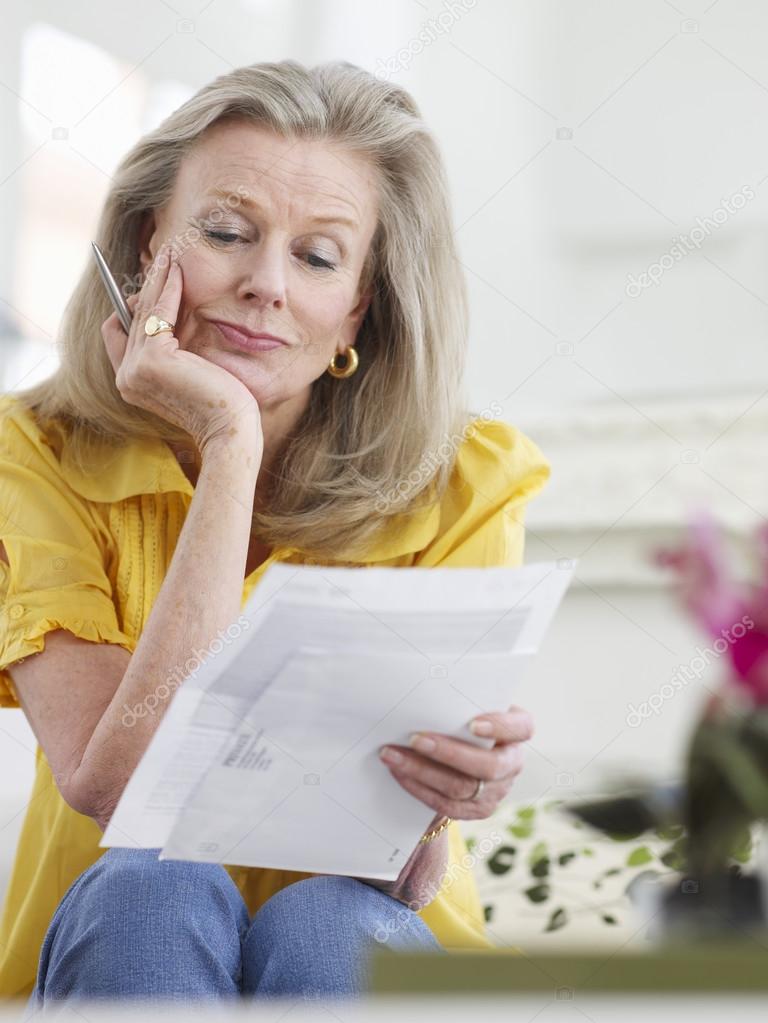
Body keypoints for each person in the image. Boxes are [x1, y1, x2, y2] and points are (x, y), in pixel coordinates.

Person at [0, 59, 550, 1005]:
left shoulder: (470, 479)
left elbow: (407, 873)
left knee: (333, 918)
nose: (265, 284)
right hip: (121, 933)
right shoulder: (29, 451)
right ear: (144, 248)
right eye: (225, 233)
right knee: (150, 887)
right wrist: (228, 442)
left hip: (362, 931)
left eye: (319, 256)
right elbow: (121, 787)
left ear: (360, 306)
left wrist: (442, 804)